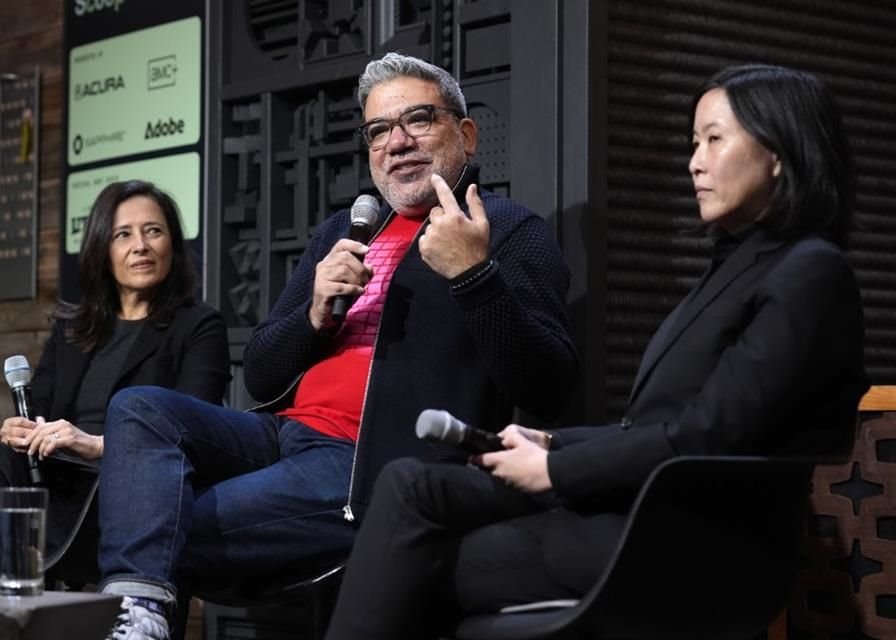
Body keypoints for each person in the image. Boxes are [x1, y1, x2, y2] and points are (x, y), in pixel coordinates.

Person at [324, 64, 871, 640]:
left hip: (688, 539)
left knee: (413, 559)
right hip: (642, 507)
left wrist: (555, 468)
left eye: (714, 139)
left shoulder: (812, 272)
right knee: (416, 485)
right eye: (693, 143)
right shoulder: (740, 266)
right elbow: (654, 425)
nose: (695, 161)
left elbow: (711, 436)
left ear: (780, 152)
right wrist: (551, 442)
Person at [96, 53, 578, 640]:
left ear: (466, 134)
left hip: (364, 462)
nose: (396, 143)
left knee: (162, 528)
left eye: (418, 120)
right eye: (378, 131)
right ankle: (137, 619)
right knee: (140, 408)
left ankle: (132, 618)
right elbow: (263, 377)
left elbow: (548, 387)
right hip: (282, 437)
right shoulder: (343, 230)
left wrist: (474, 275)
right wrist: (314, 313)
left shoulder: (506, 229)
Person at [0, 180, 230, 589]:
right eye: (122, 234)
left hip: (126, 489)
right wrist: (18, 429)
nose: (140, 245)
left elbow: (198, 434)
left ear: (173, 246)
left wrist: (91, 443)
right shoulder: (73, 328)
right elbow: (35, 406)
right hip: (52, 480)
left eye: (154, 231)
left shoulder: (199, 327)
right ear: (102, 251)